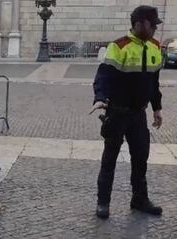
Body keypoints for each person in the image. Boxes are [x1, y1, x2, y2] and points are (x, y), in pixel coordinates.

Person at [90, 5, 164, 219]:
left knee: (141, 158)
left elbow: (154, 83)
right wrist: (100, 99)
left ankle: (139, 199)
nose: (155, 30)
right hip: (117, 113)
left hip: (138, 115)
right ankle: (103, 202)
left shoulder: (155, 47)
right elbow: (104, 76)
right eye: (153, 25)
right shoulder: (118, 46)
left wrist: (157, 108)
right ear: (140, 24)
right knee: (110, 158)